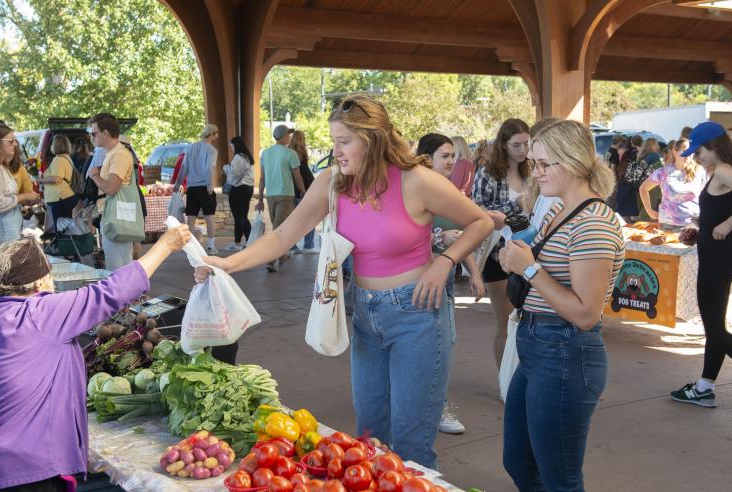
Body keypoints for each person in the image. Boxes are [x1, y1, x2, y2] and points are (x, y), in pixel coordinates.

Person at [195, 95, 493, 468]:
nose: (335, 151)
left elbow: (480, 222)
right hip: (365, 315)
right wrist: (226, 264)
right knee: (370, 439)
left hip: (418, 316)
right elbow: (281, 237)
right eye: (334, 141)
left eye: (343, 142)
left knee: (412, 446)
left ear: (372, 139)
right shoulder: (332, 182)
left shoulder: (417, 181)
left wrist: (445, 262)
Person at [0, 226, 192, 492]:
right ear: (39, 282)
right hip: (24, 473)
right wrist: (165, 245)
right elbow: (112, 291)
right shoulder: (41, 313)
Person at [498, 119, 624, 491]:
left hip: (566, 351)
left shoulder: (594, 224)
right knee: (519, 460)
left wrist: (530, 268)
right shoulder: (559, 210)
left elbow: (586, 314)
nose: (535, 173)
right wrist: (516, 258)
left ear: (571, 161)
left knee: (561, 479)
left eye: (542, 164)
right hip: (540, 344)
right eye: (532, 164)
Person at [669, 121, 732, 408]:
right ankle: (704, 387)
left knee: (716, 332)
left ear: (714, 146)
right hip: (716, 255)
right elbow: (717, 214)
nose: (696, 157)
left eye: (700, 151)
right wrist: (700, 230)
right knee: (715, 328)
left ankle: (706, 386)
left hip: (718, 260)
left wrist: (729, 223)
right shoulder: (722, 171)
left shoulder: (723, 171)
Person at [416, 132, 485, 436]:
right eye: (445, 156)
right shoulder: (413, 189)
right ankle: (431, 407)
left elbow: (465, 232)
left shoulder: (451, 191)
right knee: (426, 346)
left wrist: (475, 273)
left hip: (443, 281)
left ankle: (434, 405)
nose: (451, 161)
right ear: (426, 158)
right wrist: (437, 240)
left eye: (453, 156)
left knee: (444, 343)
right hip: (414, 281)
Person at [472, 118, 530, 369]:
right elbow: (477, 213)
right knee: (506, 323)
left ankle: (519, 378)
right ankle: (504, 380)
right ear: (503, 145)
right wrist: (515, 208)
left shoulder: (532, 171)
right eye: (516, 145)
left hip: (528, 250)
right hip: (497, 256)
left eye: (526, 144)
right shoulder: (488, 173)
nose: (523, 150)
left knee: (526, 322)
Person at [87, 113, 144, 271]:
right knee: (117, 266)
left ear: (105, 133)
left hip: (117, 220)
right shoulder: (113, 154)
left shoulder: (119, 155)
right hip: (112, 217)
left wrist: (95, 175)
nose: (91, 138)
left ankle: (125, 296)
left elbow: (111, 188)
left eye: (93, 133)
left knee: (118, 270)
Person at [0, 124, 39, 252]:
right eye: (11, 141)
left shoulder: (0, 166)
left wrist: (23, 201)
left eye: (15, 140)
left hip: (7, 231)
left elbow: (5, 198)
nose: (15, 144)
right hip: (2, 233)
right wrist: (24, 196)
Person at [255, 124, 306, 271]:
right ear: (283, 137)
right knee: (279, 229)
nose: (290, 137)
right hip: (285, 195)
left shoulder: (265, 153)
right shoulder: (290, 153)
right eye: (288, 135)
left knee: (278, 227)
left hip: (270, 196)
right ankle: (271, 260)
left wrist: (260, 199)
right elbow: (297, 176)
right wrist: (303, 191)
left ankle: (280, 256)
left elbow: (262, 178)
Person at [639, 138, 707, 227]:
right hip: (667, 224)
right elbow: (643, 189)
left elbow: (708, 195)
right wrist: (649, 211)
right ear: (675, 153)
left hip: (693, 225)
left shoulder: (700, 172)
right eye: (684, 151)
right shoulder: (663, 172)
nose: (688, 155)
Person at [181, 124, 220, 253]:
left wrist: (177, 184)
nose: (217, 136)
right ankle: (210, 246)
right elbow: (209, 169)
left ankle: (191, 246)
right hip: (204, 186)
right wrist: (210, 186)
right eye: (216, 133)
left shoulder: (191, 147)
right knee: (209, 216)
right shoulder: (212, 150)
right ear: (211, 134)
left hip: (191, 187)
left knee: (191, 218)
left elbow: (184, 168)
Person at [37, 135, 79, 227]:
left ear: (54, 146)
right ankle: (66, 241)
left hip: (60, 198)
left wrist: (40, 180)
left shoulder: (58, 160)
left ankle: (63, 242)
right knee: (66, 228)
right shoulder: (67, 158)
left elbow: (57, 179)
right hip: (67, 196)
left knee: (61, 229)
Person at [224, 136, 255, 251]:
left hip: (238, 189)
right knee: (244, 217)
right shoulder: (248, 157)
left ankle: (236, 244)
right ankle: (250, 241)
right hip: (248, 188)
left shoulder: (238, 157)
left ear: (236, 145)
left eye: (232, 146)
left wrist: (226, 168)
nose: (231, 148)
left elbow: (234, 173)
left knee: (238, 217)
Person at [289, 130, 317, 252]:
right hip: (303, 189)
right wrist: (304, 189)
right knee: (310, 218)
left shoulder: (288, 152)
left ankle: (292, 246)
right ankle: (308, 245)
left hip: (292, 190)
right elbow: (303, 174)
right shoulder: (301, 153)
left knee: (293, 220)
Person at [615, 136, 652, 221]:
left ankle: (623, 217)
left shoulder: (630, 152)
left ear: (632, 142)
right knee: (630, 200)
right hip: (633, 180)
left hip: (626, 178)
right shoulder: (639, 152)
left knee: (624, 200)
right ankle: (628, 217)